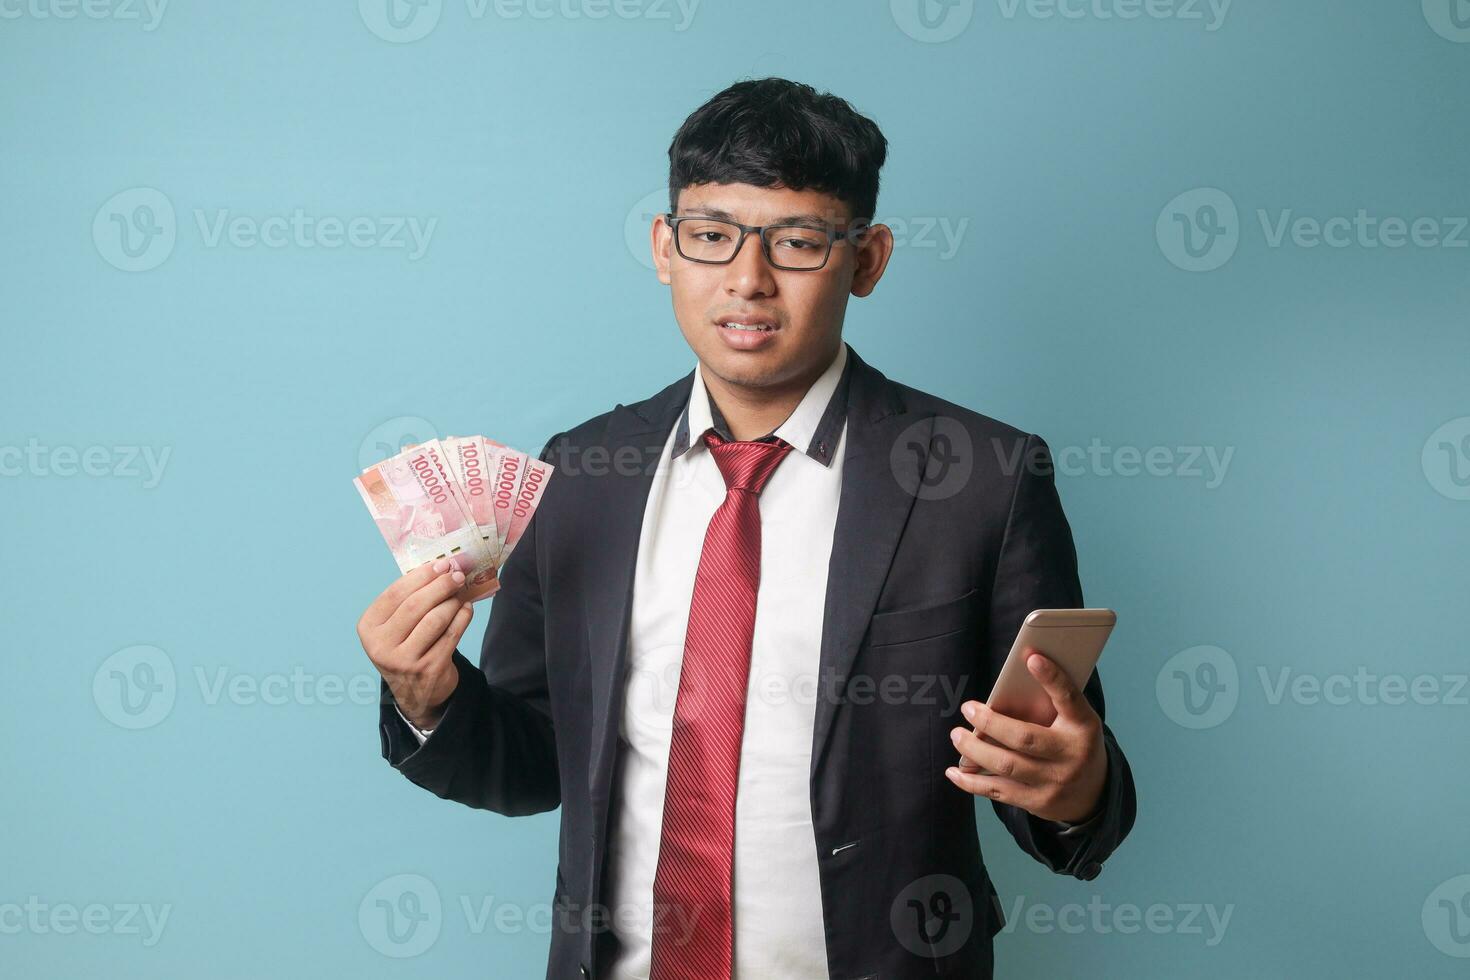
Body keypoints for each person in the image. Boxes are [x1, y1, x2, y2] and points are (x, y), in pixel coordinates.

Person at [356, 76, 1136, 980]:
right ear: (665, 247)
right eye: (712, 235)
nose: (747, 280)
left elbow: (1059, 779)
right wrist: (429, 697)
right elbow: (539, 761)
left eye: (798, 243)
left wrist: (1075, 788)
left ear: (868, 259)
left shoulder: (984, 481)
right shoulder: (580, 474)